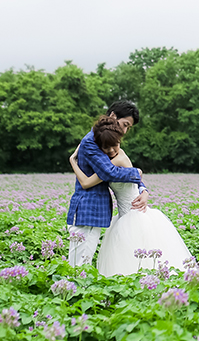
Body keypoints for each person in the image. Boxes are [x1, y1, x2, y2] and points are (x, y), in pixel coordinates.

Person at [70, 117, 192, 276]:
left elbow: (87, 182)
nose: (112, 150)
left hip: (135, 213)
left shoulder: (115, 161)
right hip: (123, 215)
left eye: (115, 145)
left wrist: (73, 162)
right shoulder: (108, 162)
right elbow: (90, 182)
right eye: (107, 147)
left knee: (141, 256)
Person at [66, 100, 149, 267]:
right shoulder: (92, 141)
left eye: (128, 128)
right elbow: (109, 172)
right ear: (113, 116)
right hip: (88, 210)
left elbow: (122, 168)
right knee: (79, 265)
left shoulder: (109, 142)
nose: (125, 131)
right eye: (125, 125)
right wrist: (137, 172)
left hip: (100, 211)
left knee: (82, 263)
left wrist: (143, 189)